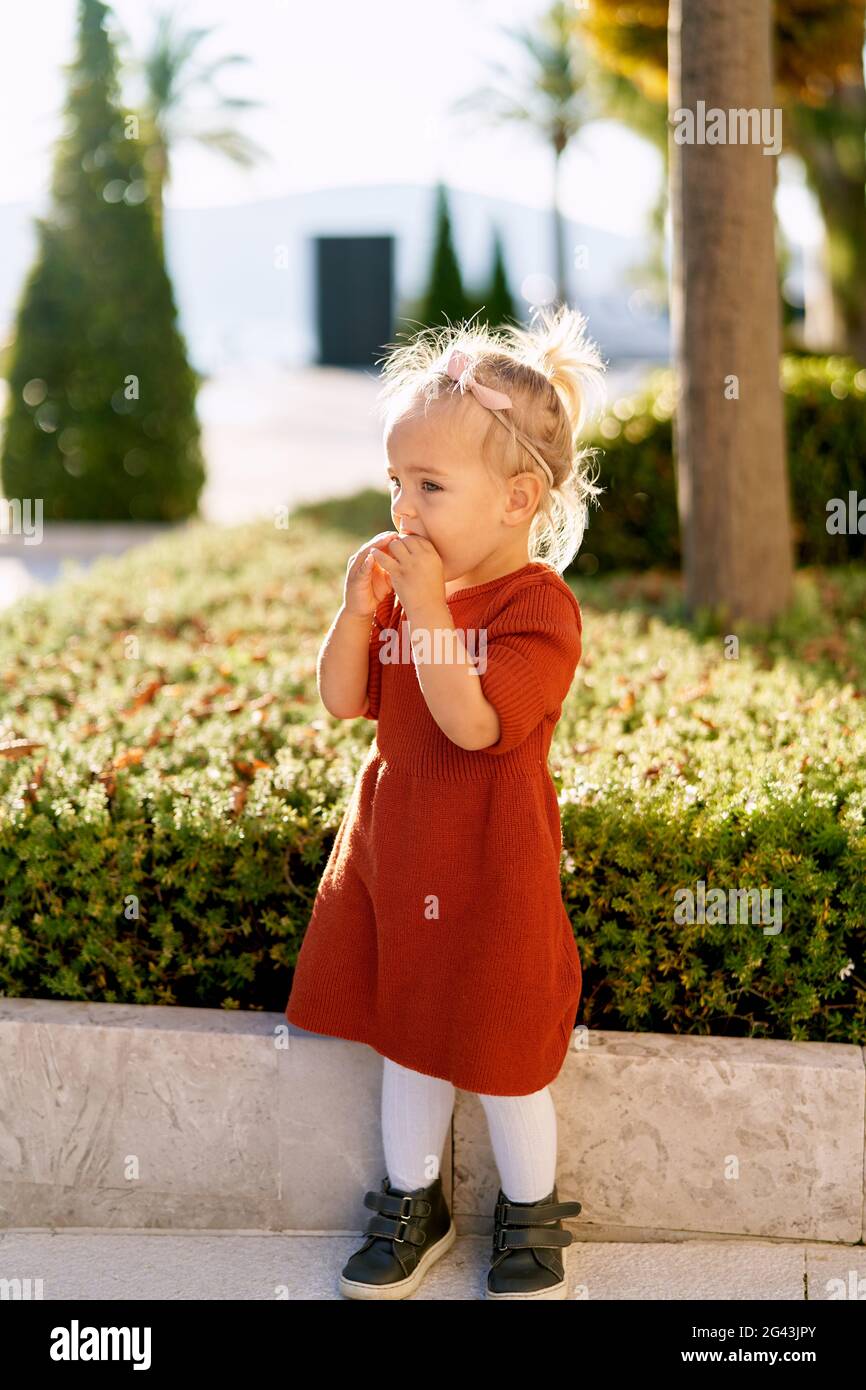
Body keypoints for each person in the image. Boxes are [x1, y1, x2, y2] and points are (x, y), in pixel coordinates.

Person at [285, 302, 606, 1300]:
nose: (402, 509)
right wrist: (355, 611)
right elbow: (345, 700)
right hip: (401, 855)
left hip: (488, 866)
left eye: (428, 485)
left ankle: (529, 1209)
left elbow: (472, 724)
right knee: (409, 1035)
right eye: (395, 482)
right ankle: (410, 1196)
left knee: (506, 1048)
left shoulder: (534, 610)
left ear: (517, 500)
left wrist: (423, 609)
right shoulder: (401, 594)